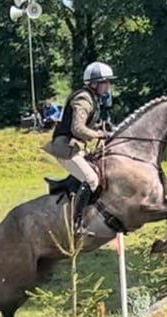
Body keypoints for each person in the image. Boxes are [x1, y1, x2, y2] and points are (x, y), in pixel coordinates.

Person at [43, 61, 115, 232]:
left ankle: (62, 186)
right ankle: (77, 224)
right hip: (65, 148)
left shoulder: (93, 99)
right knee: (91, 179)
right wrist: (99, 134)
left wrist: (99, 128)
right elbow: (77, 128)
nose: (108, 86)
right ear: (94, 83)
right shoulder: (83, 99)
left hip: (76, 147)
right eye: (105, 82)